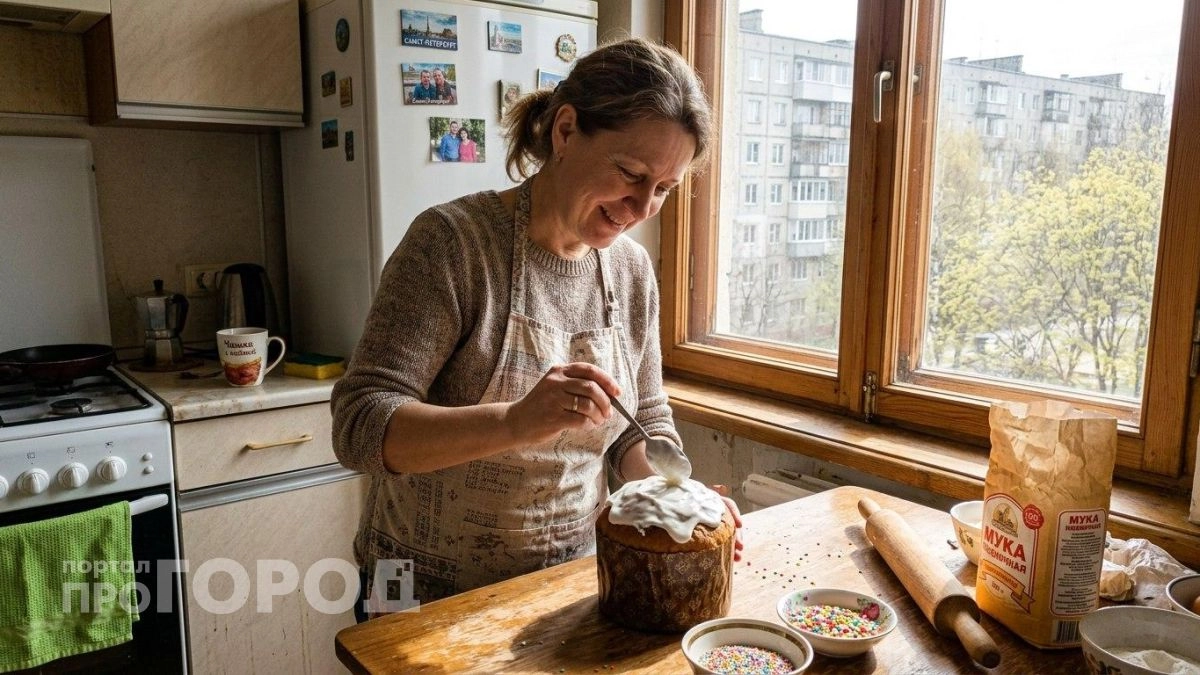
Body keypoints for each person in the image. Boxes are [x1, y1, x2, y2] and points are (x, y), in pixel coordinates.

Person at [332, 37, 741, 616]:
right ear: (566, 131)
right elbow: (359, 425)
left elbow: (638, 423)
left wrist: (677, 504)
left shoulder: (630, 272)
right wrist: (516, 421)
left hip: (565, 587)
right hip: (416, 595)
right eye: (631, 173)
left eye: (665, 190)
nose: (643, 206)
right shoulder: (453, 245)